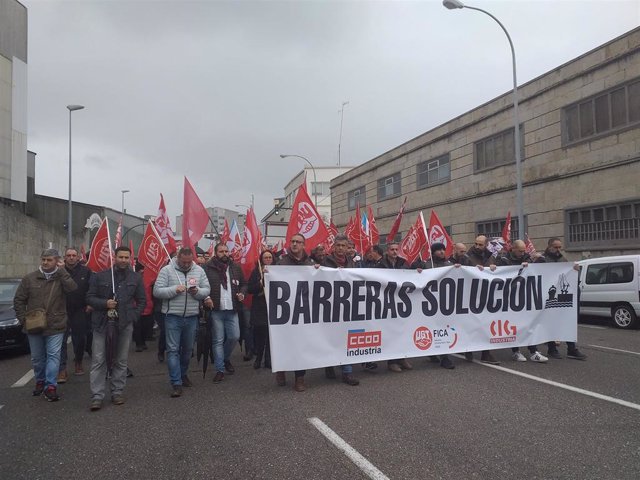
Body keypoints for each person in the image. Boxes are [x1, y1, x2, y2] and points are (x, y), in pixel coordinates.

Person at [86, 246, 146, 411]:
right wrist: (105, 304)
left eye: (126, 258)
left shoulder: (135, 278)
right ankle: (97, 396)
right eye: (121, 257)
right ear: (114, 257)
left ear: (130, 259)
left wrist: (132, 317)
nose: (124, 260)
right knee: (99, 360)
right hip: (101, 324)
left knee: (120, 360)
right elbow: (89, 298)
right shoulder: (100, 276)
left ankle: (117, 392)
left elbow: (142, 301)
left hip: (124, 325)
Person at [14, 249, 77, 402]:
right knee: (37, 358)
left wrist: (62, 272)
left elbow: (72, 288)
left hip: (56, 324)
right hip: (34, 325)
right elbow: (19, 300)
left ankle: (50, 386)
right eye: (43, 259)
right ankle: (40, 380)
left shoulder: (61, 277)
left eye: (49, 260)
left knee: (53, 356)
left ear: (57, 261)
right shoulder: (30, 278)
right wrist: (24, 319)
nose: (45, 262)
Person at [154, 247, 210, 397]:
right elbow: (157, 291)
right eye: (183, 262)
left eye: (189, 262)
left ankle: (183, 374)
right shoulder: (167, 270)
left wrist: (197, 291)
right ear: (178, 258)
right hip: (172, 316)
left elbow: (207, 290)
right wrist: (174, 289)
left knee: (187, 350)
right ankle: (176, 382)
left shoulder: (199, 270)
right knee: (172, 350)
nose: (186, 265)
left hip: (192, 316)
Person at [274, 233, 315, 391]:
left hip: (303, 309)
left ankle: (299, 378)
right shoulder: (280, 263)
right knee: (284, 342)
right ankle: (281, 369)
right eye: (293, 241)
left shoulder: (311, 263)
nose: (295, 244)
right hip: (285, 310)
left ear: (304, 245)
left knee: (301, 344)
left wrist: (318, 271)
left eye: (298, 242)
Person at [495, 240, 548, 363]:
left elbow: (544, 268)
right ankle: (516, 351)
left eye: (524, 250)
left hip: (526, 296)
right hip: (511, 297)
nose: (523, 252)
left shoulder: (528, 258)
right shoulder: (504, 260)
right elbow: (498, 274)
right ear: (513, 249)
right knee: (514, 325)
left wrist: (540, 258)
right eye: (520, 250)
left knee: (530, 324)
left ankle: (533, 351)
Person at [203, 243, 247, 384]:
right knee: (218, 340)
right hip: (216, 309)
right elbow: (202, 285)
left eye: (226, 251)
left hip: (232, 308)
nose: (224, 253)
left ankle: (225, 358)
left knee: (234, 336)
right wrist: (206, 298)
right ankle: (220, 369)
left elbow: (244, 284)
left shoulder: (235, 267)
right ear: (216, 253)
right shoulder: (208, 268)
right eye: (221, 251)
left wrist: (242, 293)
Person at [322, 235, 360, 386]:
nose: (340, 248)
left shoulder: (351, 262)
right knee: (331, 338)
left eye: (343, 246)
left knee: (346, 338)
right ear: (334, 246)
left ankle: (347, 372)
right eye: (338, 245)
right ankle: (328, 364)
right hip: (330, 305)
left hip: (347, 305)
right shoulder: (325, 261)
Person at [540, 237, 587, 360]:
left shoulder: (562, 259)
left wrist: (574, 270)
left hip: (563, 296)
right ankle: (551, 348)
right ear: (549, 246)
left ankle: (571, 349)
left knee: (567, 320)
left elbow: (568, 275)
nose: (558, 249)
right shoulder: (542, 259)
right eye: (556, 247)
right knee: (551, 322)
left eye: (560, 247)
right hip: (549, 295)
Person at [413, 243, 455, 370]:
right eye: (438, 250)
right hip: (429, 303)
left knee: (443, 327)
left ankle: (445, 357)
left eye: (443, 249)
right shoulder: (427, 264)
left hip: (444, 302)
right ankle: (432, 353)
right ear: (433, 252)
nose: (442, 252)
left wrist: (458, 269)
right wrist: (418, 270)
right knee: (430, 327)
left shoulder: (449, 265)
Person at [462, 236, 500, 365]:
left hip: (486, 294)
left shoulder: (491, 257)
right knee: (471, 323)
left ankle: (486, 353)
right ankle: (468, 349)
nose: (477, 246)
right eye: (476, 244)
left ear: (486, 245)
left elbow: (497, 272)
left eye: (480, 244)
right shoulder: (467, 257)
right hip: (470, 295)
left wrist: (494, 268)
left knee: (487, 323)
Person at [58, 247, 92, 380]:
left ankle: (78, 361)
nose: (71, 257)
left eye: (74, 255)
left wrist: (90, 303)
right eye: (68, 255)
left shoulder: (86, 271)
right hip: (61, 311)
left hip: (80, 310)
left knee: (80, 339)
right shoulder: (58, 272)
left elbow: (91, 289)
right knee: (60, 341)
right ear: (64, 258)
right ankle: (62, 368)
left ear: (78, 257)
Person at [379, 242, 413, 372]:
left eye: (396, 249)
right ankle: (392, 361)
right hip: (387, 300)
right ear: (387, 251)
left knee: (403, 330)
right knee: (391, 332)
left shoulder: (403, 263)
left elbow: (412, 274)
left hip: (402, 300)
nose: (394, 251)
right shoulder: (381, 264)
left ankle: (402, 357)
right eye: (392, 249)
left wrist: (418, 271)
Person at [247, 250, 274, 369]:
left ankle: (268, 359)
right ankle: (258, 358)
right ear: (261, 259)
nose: (268, 259)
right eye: (265, 257)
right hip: (259, 307)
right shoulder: (256, 272)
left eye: (269, 257)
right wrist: (261, 281)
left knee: (270, 336)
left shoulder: (278, 270)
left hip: (272, 307)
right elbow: (250, 289)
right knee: (260, 335)